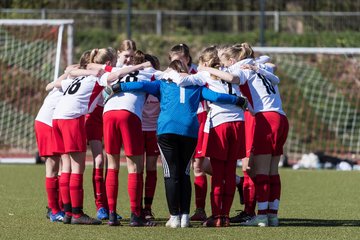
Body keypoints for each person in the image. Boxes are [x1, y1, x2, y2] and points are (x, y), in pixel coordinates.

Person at [106, 59, 248, 228]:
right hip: (189, 130)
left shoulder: (162, 83)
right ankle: (185, 217)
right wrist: (238, 100)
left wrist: (117, 88)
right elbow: (216, 96)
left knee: (170, 173)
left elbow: (140, 85)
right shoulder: (196, 85)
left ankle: (174, 217)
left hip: (167, 129)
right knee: (185, 173)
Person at [174, 46, 247, 227]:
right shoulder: (231, 70)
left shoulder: (204, 74)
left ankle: (216, 216)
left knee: (218, 173)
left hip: (220, 123)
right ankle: (226, 216)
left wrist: (169, 73)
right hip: (239, 122)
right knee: (229, 172)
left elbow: (182, 82)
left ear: (205, 63)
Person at [220, 43, 288, 227]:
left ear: (232, 60)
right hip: (281, 117)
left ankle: (262, 216)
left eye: (224, 62)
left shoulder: (242, 69)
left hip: (265, 118)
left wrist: (210, 69)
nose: (223, 66)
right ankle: (272, 215)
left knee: (262, 172)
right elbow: (270, 65)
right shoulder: (260, 67)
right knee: (273, 172)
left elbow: (232, 77)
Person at [50, 48, 120, 225]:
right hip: (72, 119)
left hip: (57, 117)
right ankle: (77, 213)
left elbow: (63, 77)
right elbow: (114, 76)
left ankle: (67, 212)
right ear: (109, 63)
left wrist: (83, 68)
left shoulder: (80, 76)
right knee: (77, 168)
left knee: (66, 166)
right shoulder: (99, 76)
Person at [99, 51, 157, 227]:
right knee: (134, 167)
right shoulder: (150, 72)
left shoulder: (119, 70)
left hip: (108, 113)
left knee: (112, 165)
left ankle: (111, 215)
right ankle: (135, 215)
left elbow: (102, 79)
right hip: (129, 113)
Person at [168, 43, 208, 221]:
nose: (177, 64)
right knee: (181, 168)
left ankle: (200, 209)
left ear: (187, 59)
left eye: (180, 60)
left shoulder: (198, 74)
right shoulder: (168, 74)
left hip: (199, 119)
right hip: (178, 123)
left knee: (198, 166)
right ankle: (177, 211)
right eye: (173, 61)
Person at [140, 54, 161, 221]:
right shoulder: (139, 85)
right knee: (137, 169)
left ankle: (147, 208)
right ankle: (136, 207)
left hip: (154, 131)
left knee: (152, 168)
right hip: (138, 130)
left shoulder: (160, 86)